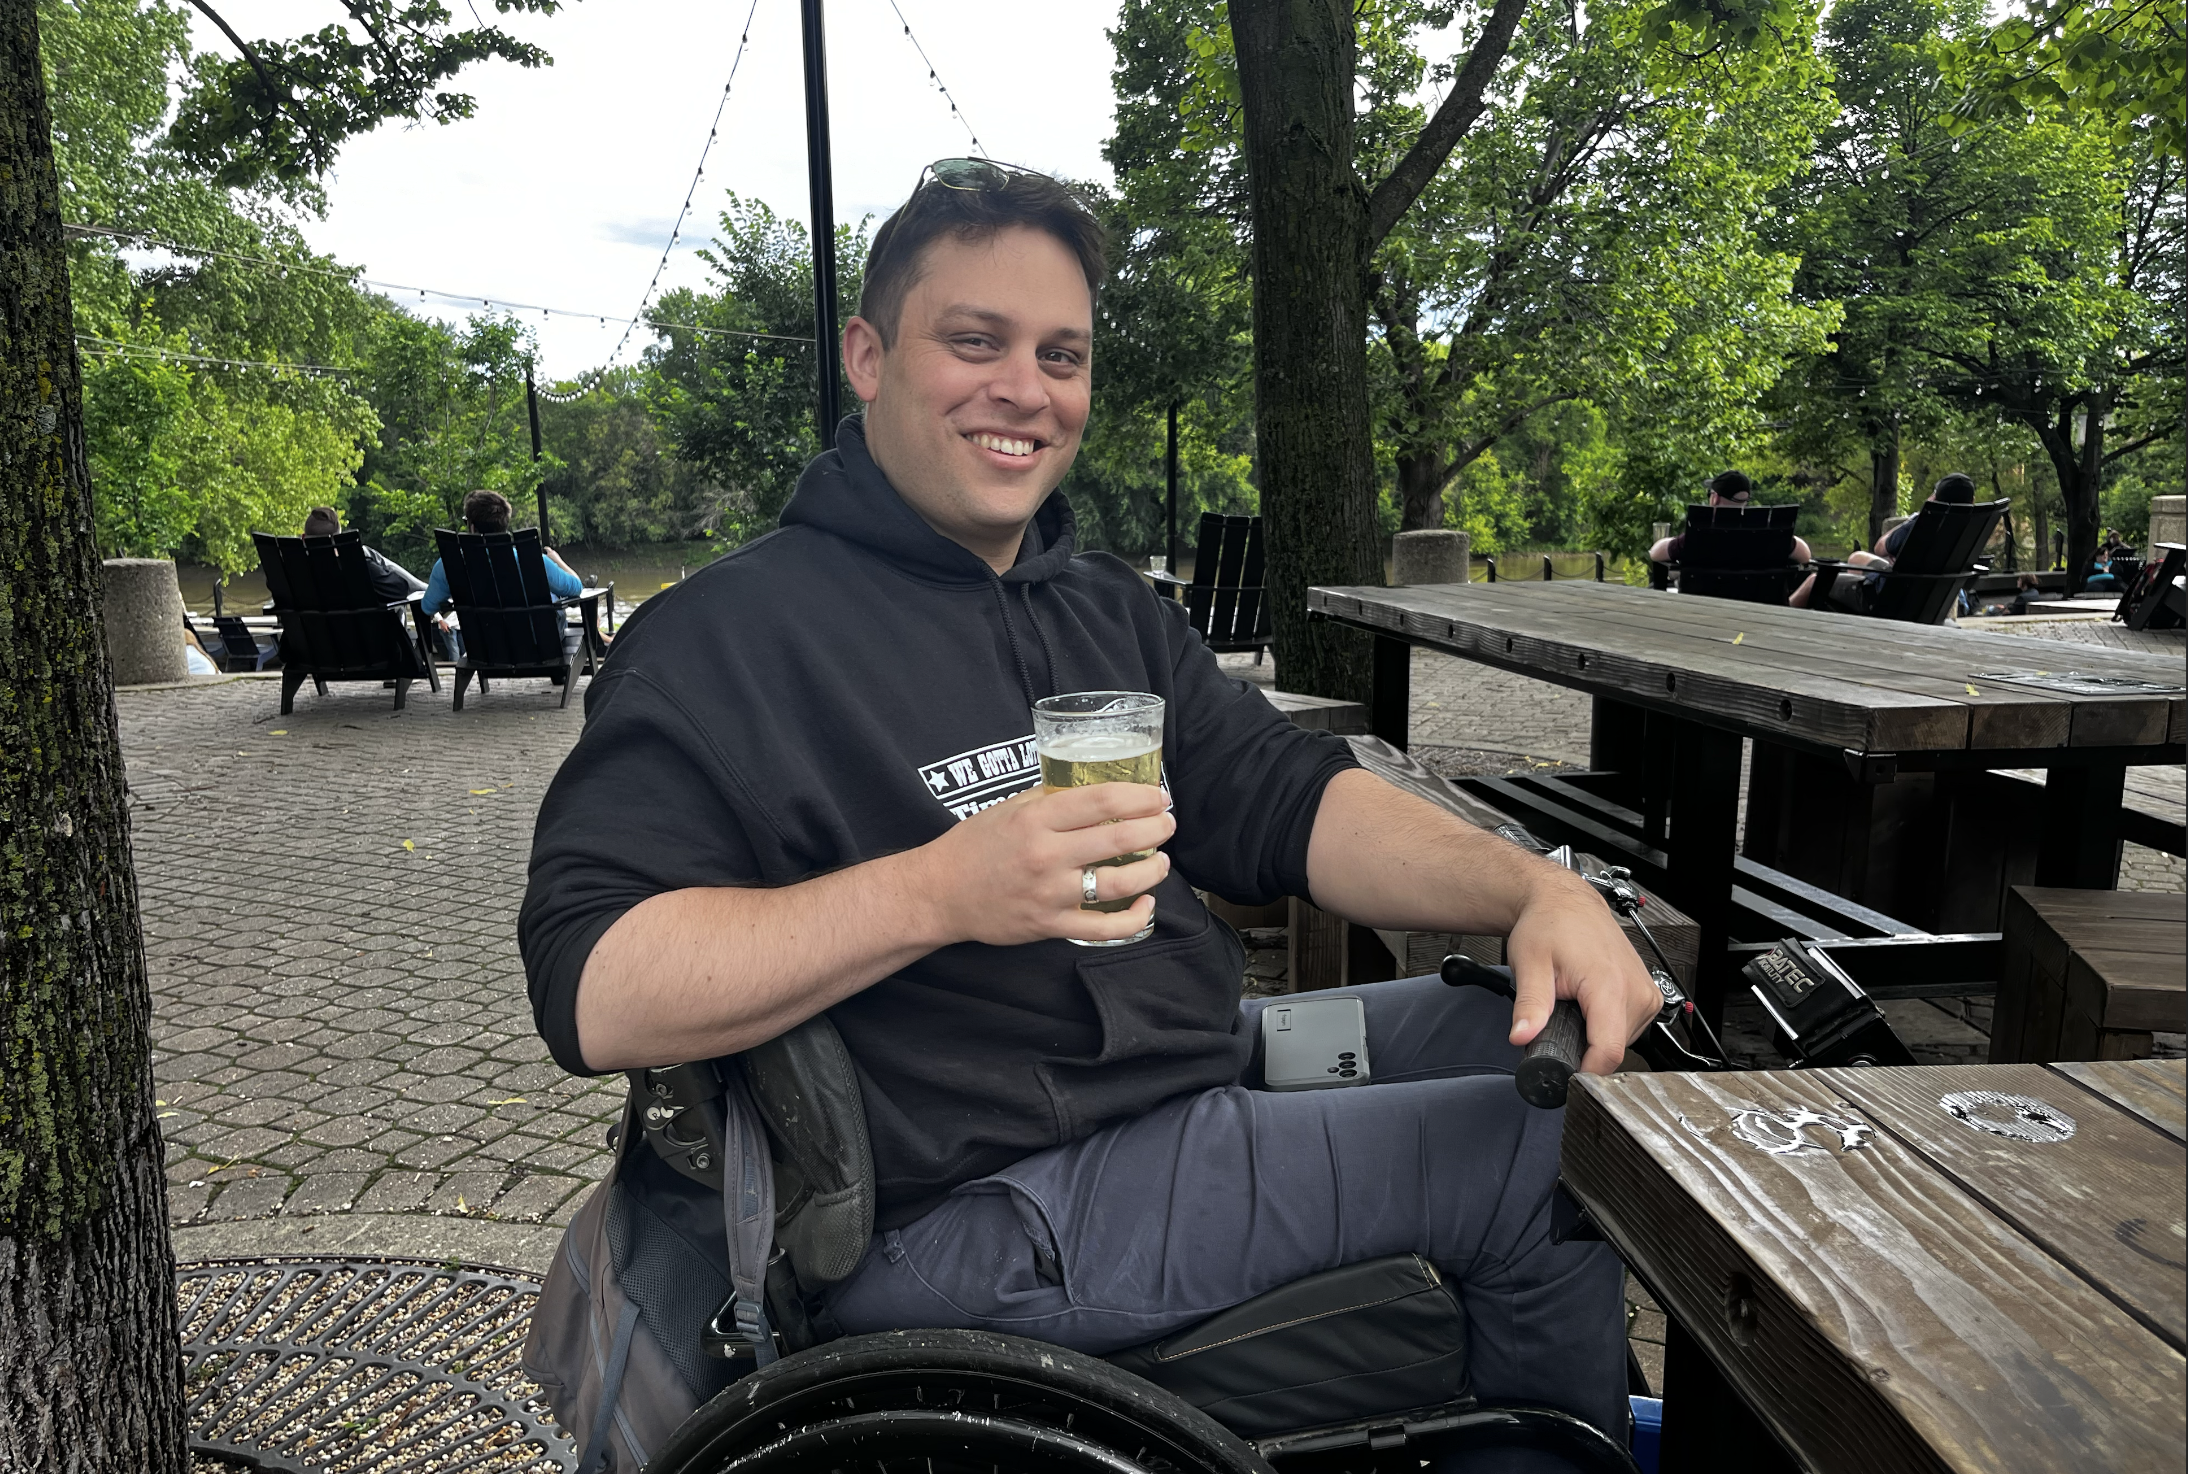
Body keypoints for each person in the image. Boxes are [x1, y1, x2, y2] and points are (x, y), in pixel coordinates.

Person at [519, 160, 1661, 1453]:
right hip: (967, 1204)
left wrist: (1532, 886)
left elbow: (1287, 799)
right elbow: (593, 987)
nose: (1026, 387)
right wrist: (943, 890)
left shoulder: (1100, 603)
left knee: (1530, 1046)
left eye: (1061, 353)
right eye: (975, 340)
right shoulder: (725, 639)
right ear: (869, 354)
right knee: (1547, 1156)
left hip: (1183, 1077)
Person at [418, 490, 586, 658]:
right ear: (504, 525)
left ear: (472, 527)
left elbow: (428, 607)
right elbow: (576, 589)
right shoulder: (533, 561)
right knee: (553, 604)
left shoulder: (449, 564)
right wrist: (557, 560)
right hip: (539, 648)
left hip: (485, 652)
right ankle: (557, 671)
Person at [1789, 471, 1978, 610]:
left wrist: (1913, 518)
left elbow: (1880, 547)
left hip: (1889, 597)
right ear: (1972, 501)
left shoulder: (1923, 523)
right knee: (1856, 557)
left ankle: (1780, 618)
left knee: (1815, 580)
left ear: (1934, 498)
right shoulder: (1972, 528)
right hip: (1930, 601)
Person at [1647, 469, 1811, 567]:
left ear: (1715, 498)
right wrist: (1782, 536)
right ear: (1745, 500)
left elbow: (1656, 554)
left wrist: (1663, 540)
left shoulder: (1700, 534)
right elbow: (1805, 555)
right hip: (1763, 611)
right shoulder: (1767, 534)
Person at [302, 505, 425, 604]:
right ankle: (428, 590)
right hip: (365, 634)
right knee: (366, 553)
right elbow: (399, 589)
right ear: (338, 539)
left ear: (303, 538)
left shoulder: (293, 572)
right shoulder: (360, 568)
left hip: (308, 634)